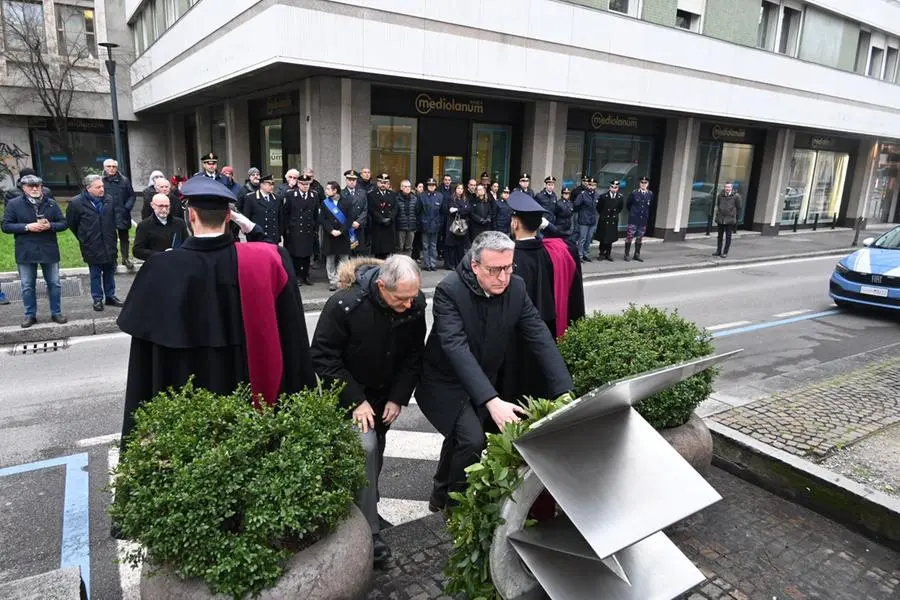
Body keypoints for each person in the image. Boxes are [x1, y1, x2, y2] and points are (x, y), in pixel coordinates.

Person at [116, 175, 317, 456]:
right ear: (228, 218)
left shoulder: (161, 268)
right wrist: (252, 226)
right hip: (248, 398)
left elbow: (144, 364)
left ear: (191, 215)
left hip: (184, 405)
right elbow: (277, 253)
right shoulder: (263, 260)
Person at [416, 231, 573, 512]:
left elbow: (539, 336)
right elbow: (456, 348)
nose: (503, 278)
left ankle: (440, 495)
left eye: (508, 268)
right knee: (471, 439)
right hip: (445, 381)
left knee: (460, 438)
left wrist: (565, 391)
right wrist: (491, 400)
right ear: (475, 266)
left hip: (482, 379)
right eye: (494, 270)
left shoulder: (517, 288)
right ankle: (456, 509)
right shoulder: (449, 290)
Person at [310, 254, 426, 566]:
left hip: (384, 396)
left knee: (374, 455)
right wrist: (355, 400)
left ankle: (365, 513)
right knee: (365, 448)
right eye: (400, 299)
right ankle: (370, 537)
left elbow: (414, 355)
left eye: (412, 298)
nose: (408, 306)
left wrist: (399, 397)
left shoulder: (413, 304)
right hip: (350, 397)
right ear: (380, 286)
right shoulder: (345, 305)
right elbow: (322, 357)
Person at [1, 174, 68, 328]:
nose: (35, 188)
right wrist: (27, 227)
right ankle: (30, 315)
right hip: (26, 250)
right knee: (27, 285)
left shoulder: (50, 203)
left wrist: (50, 225)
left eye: (38, 185)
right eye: (31, 186)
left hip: (48, 249)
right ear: (23, 188)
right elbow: (5, 226)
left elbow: (64, 223)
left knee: (54, 283)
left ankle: (56, 312)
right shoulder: (13, 204)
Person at [67, 174, 124, 312]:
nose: (102, 189)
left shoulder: (108, 200)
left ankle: (110, 296)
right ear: (88, 188)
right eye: (98, 187)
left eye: (102, 186)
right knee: (95, 273)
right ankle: (97, 299)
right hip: (91, 244)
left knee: (110, 271)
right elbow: (72, 223)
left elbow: (112, 219)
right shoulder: (76, 203)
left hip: (108, 242)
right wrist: (84, 237)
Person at [282, 173, 319, 285]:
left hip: (308, 229)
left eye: (307, 184)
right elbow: (286, 213)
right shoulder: (290, 195)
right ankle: (297, 275)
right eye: (302, 184)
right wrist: (287, 229)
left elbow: (316, 214)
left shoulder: (314, 195)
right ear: (298, 184)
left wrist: (315, 228)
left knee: (307, 254)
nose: (305, 186)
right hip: (295, 229)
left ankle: (306, 275)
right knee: (296, 254)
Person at [319, 181, 355, 291]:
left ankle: (341, 279)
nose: (326, 191)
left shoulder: (347, 202)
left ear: (335, 190)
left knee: (344, 258)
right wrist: (331, 230)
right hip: (330, 235)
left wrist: (341, 231)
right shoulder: (325, 203)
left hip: (343, 235)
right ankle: (333, 281)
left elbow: (350, 218)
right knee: (330, 259)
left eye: (328, 189)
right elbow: (322, 219)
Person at [133, 193, 190, 261]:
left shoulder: (179, 223)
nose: (164, 210)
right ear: (152, 205)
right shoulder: (144, 225)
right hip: (155, 265)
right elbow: (137, 251)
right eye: (161, 206)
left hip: (176, 263)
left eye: (167, 206)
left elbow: (187, 245)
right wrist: (161, 255)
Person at [241, 174, 282, 244]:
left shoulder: (277, 198)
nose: (272, 186)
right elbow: (246, 218)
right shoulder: (250, 198)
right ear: (262, 185)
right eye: (269, 184)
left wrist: (279, 233)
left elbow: (280, 219)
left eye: (273, 184)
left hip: (273, 237)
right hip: (257, 237)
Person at [416, 178, 444, 271]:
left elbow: (442, 211)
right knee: (425, 245)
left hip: (435, 224)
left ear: (435, 186)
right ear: (427, 186)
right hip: (425, 224)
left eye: (433, 185)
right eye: (429, 185)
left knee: (433, 245)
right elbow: (418, 210)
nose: (431, 187)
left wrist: (439, 222)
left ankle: (433, 264)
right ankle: (427, 264)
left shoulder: (440, 196)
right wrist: (421, 222)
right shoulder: (422, 196)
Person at [367, 173, 397, 259]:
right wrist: (381, 219)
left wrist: (390, 218)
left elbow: (396, 208)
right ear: (377, 183)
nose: (383, 184)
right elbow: (371, 209)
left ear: (388, 184)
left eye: (385, 182)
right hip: (378, 226)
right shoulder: (371, 195)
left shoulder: (393, 194)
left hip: (389, 226)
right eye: (381, 182)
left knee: (389, 254)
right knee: (378, 253)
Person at [625, 176, 653, 262]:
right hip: (634, 219)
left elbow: (650, 206)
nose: (643, 184)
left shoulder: (650, 194)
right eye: (642, 183)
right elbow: (628, 205)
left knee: (640, 238)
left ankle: (636, 255)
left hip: (643, 220)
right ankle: (626, 254)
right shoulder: (634, 193)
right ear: (639, 183)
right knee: (629, 237)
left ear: (647, 184)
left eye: (645, 183)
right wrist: (633, 213)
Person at [596, 179, 624, 261]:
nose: (614, 189)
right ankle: (601, 253)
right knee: (603, 237)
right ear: (610, 187)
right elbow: (599, 208)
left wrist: (614, 215)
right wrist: (604, 215)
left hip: (613, 220)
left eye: (616, 187)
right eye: (612, 187)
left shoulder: (620, 197)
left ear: (617, 188)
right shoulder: (603, 196)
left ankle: (608, 254)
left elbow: (620, 208)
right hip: (604, 219)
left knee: (610, 238)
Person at [713, 182, 742, 258]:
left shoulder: (736, 196)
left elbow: (739, 207)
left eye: (729, 187)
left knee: (728, 236)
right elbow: (718, 204)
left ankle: (725, 252)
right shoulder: (720, 196)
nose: (727, 188)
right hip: (721, 219)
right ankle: (718, 251)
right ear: (724, 187)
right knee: (720, 236)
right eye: (726, 187)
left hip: (730, 219)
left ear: (731, 188)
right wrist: (718, 213)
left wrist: (735, 216)